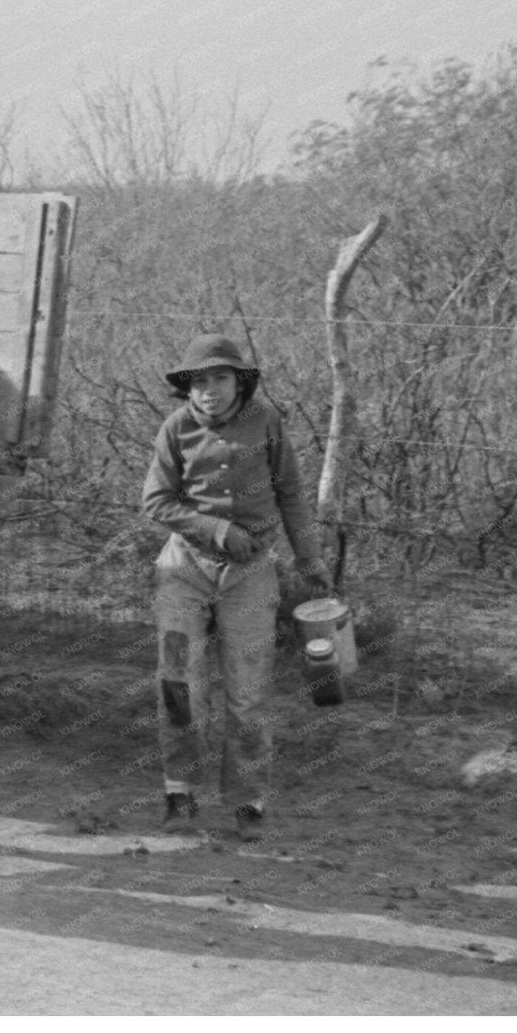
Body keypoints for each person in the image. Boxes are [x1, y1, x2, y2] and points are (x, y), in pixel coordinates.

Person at [141, 333, 332, 841]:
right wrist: (216, 529)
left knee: (247, 693)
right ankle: (179, 793)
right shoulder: (176, 428)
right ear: (188, 389)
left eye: (220, 378)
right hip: (184, 569)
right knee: (180, 683)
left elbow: (291, 492)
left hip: (250, 574)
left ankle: (249, 800)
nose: (209, 391)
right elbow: (156, 502)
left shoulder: (266, 422)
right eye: (199, 382)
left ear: (240, 381)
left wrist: (309, 558)